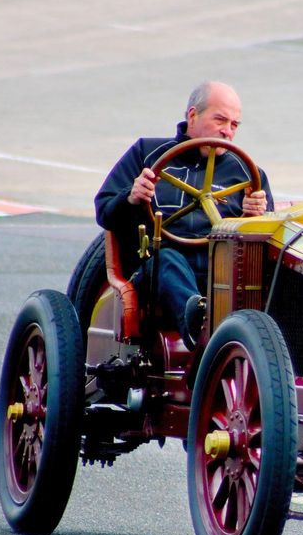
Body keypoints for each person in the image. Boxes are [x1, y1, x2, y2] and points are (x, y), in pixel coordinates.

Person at [95, 81, 273, 349]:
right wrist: (131, 196)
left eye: (234, 125)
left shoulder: (248, 173)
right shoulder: (146, 153)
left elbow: (268, 240)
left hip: (221, 267)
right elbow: (104, 210)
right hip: (159, 267)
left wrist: (257, 216)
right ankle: (199, 328)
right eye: (220, 120)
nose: (227, 131)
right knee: (168, 260)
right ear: (193, 115)